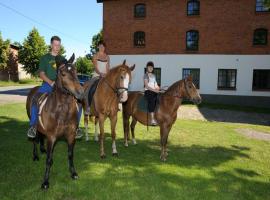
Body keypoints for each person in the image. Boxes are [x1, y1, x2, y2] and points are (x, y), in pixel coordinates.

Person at [27, 36, 83, 139]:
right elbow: (41, 73)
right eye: (55, 45)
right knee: (35, 98)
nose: (57, 47)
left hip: (62, 87)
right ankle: (33, 126)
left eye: (59, 45)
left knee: (78, 103)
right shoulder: (45, 58)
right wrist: (50, 82)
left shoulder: (63, 59)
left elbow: (68, 72)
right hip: (48, 85)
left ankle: (76, 127)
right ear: (51, 45)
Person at [84, 41, 110, 114]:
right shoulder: (95, 56)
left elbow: (108, 68)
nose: (102, 48)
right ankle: (88, 107)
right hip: (97, 75)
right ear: (98, 47)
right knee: (91, 88)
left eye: (103, 46)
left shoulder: (107, 57)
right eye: (100, 46)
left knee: (113, 87)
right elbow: (95, 67)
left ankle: (113, 105)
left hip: (105, 76)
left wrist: (107, 74)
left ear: (105, 48)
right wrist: (100, 74)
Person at [144, 61, 160, 125]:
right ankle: (152, 119)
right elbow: (146, 86)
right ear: (147, 68)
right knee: (152, 100)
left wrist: (158, 88)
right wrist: (154, 90)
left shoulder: (154, 75)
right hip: (148, 91)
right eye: (149, 67)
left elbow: (155, 84)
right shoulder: (145, 75)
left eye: (151, 67)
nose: (150, 68)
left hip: (154, 91)